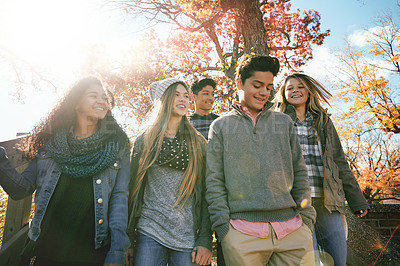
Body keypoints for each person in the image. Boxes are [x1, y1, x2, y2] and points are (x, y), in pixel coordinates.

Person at [0, 77, 131, 266]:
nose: (102, 101)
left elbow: (120, 198)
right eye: (93, 96)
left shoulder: (117, 146)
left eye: (104, 98)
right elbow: (20, 189)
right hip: (47, 247)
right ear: (76, 103)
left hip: (92, 251)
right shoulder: (51, 144)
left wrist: (117, 251)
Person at [206, 55, 316, 266]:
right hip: (241, 233)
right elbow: (214, 180)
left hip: (293, 231)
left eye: (268, 86)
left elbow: (300, 171)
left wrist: (306, 221)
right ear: (239, 82)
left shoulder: (284, 122)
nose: (264, 92)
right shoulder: (220, 126)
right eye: (257, 85)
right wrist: (223, 229)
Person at [277, 73, 369, 266]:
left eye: (300, 86)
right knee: (307, 261)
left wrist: (356, 200)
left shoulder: (323, 121)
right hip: (297, 204)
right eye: (290, 88)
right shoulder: (278, 121)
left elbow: (339, 161)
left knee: (337, 260)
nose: (295, 90)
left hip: (328, 201)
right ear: (284, 94)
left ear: (309, 91)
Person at [126, 78, 213, 266]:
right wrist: (127, 240)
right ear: (163, 100)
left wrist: (205, 239)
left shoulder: (198, 144)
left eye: (185, 96)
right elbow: (131, 190)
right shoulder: (145, 140)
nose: (183, 100)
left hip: (186, 236)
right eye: (176, 95)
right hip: (150, 231)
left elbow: (207, 194)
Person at [188, 77, 224, 266]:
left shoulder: (221, 123)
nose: (210, 98)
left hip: (218, 186)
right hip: (194, 187)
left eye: (212, 94)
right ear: (194, 97)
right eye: (205, 94)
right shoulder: (185, 123)